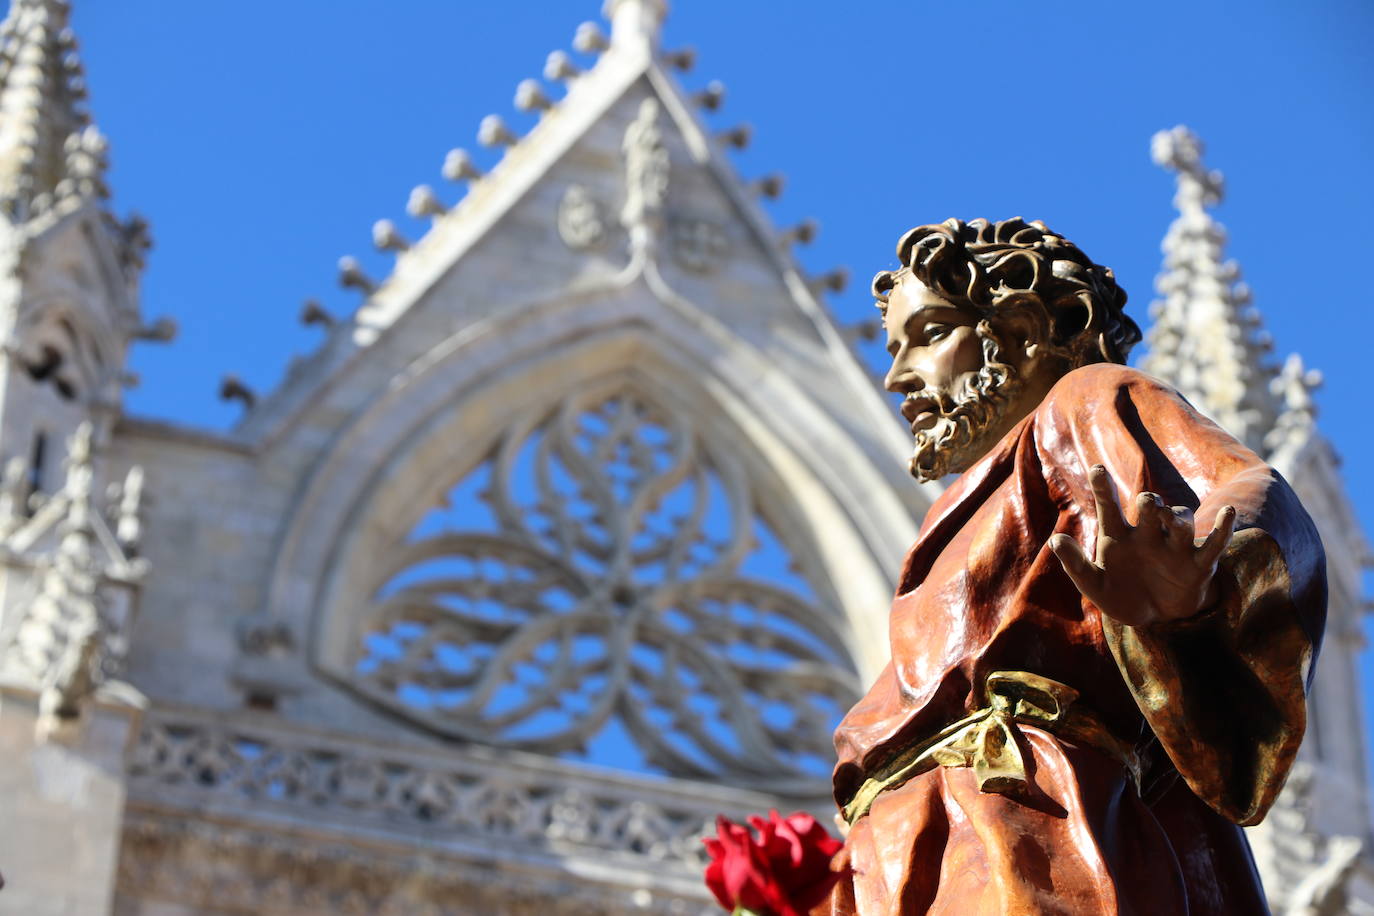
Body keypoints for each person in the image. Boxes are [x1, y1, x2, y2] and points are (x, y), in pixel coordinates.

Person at [821, 218, 1326, 915]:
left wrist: (1196, 580)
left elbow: (1245, 493)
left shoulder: (1080, 402)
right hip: (912, 845)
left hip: (1021, 825)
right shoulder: (963, 507)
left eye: (931, 334)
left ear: (1024, 327)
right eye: (894, 348)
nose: (897, 375)